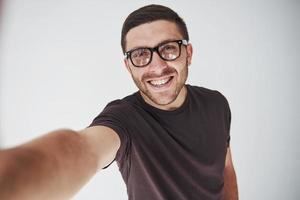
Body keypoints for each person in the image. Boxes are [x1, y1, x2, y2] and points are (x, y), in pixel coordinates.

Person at [0, 4, 238, 200]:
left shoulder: (217, 103)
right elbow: (81, 148)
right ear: (128, 66)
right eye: (140, 54)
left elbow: (225, 168)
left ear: (188, 53)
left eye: (168, 48)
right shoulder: (123, 119)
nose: (157, 67)